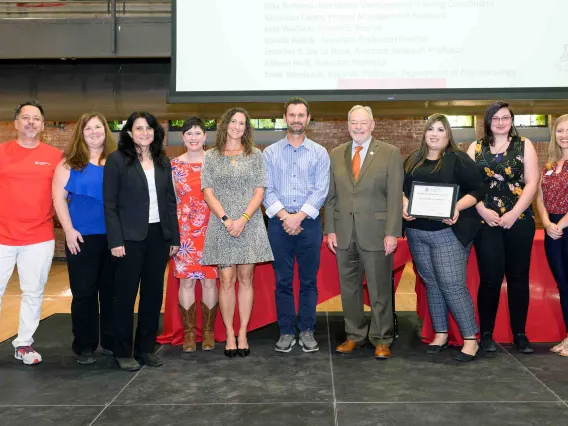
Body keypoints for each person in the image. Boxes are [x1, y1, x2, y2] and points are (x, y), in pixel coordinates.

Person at [403, 114, 485, 362]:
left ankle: (471, 340)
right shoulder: (412, 160)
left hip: (448, 233)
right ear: (424, 133)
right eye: (431, 129)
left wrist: (456, 207)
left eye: (440, 129)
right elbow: (399, 189)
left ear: (448, 134)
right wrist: (404, 205)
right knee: (432, 284)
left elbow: (479, 189)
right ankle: (440, 333)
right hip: (417, 232)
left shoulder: (457, 159)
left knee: (452, 285)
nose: (435, 134)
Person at [324, 105, 403, 360]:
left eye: (363, 123)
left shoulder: (390, 153)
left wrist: (392, 232)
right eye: (353, 123)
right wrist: (330, 230)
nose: (358, 127)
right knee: (349, 289)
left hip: (378, 233)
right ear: (347, 126)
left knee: (380, 289)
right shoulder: (336, 154)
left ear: (372, 125)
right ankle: (354, 335)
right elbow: (331, 197)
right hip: (344, 233)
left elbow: (394, 197)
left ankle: (381, 338)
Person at [103, 112, 180, 371]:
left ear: (155, 132)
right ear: (128, 132)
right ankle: (123, 351)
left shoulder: (162, 162)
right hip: (128, 239)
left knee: (152, 294)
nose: (145, 132)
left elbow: (170, 202)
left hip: (159, 237)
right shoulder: (116, 161)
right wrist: (115, 240)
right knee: (124, 296)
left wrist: (174, 236)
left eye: (149, 128)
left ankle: (145, 349)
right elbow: (110, 205)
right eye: (139, 128)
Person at [466, 101, 539, 354]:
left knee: (518, 278)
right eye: (495, 118)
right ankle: (486, 333)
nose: (500, 122)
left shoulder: (524, 145)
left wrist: (514, 213)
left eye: (505, 117)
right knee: (490, 279)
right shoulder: (475, 147)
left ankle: (520, 334)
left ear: (511, 120)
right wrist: (482, 210)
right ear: (488, 121)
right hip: (485, 221)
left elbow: (532, 182)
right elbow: (468, 185)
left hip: (519, 221)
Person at [201, 107, 274, 358]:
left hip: (249, 223)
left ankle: (243, 332)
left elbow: (259, 191)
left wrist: (242, 219)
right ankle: (229, 333)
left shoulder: (255, 155)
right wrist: (226, 220)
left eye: (242, 123)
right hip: (222, 225)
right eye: (233, 121)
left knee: (246, 280)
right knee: (226, 281)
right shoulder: (211, 156)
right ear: (225, 125)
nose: (237, 126)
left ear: (247, 128)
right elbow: (208, 192)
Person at [263, 97, 329, 353]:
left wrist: (298, 217)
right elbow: (266, 190)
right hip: (279, 225)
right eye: (292, 115)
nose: (297, 119)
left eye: (301, 115)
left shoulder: (319, 153)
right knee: (283, 281)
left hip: (309, 224)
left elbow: (320, 190)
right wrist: (285, 217)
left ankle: (307, 330)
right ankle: (287, 331)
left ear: (308, 119)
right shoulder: (269, 153)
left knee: (309, 281)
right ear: (285, 118)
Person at [0, 100, 63, 365]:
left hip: (38, 237)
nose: (30, 123)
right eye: (25, 118)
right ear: (15, 123)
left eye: (36, 118)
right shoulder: (1, 152)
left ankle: (23, 344)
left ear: (43, 125)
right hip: (2, 236)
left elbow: (63, 194)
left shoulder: (54, 157)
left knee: (33, 292)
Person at [52, 112, 116, 365]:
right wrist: (68, 230)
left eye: (98, 127)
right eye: (88, 128)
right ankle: (85, 346)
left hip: (113, 238)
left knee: (111, 292)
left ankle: (111, 341)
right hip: (81, 237)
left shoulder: (116, 161)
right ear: (81, 132)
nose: (93, 132)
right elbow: (58, 198)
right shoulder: (69, 163)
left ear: (105, 131)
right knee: (84, 293)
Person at [171, 117, 218, 353]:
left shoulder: (215, 163)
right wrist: (171, 235)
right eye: (188, 133)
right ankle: (190, 332)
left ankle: (208, 331)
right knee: (186, 281)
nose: (193, 137)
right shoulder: (174, 166)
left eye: (198, 133)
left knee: (210, 281)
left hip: (212, 229)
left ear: (205, 136)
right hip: (184, 232)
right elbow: (169, 202)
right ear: (182, 137)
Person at [535, 114, 568, 356]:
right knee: (564, 285)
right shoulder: (549, 165)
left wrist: (561, 225)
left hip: (565, 226)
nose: (564, 135)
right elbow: (539, 198)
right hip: (552, 229)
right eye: (560, 131)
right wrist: (547, 223)